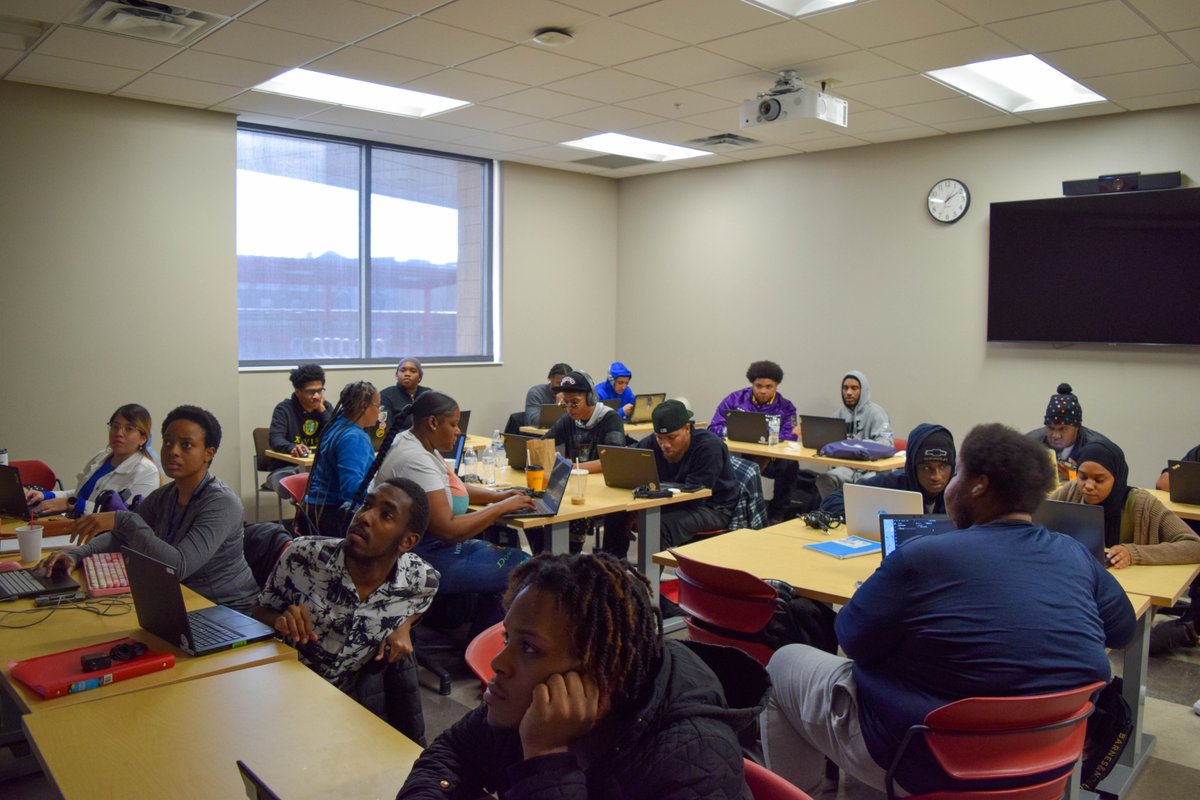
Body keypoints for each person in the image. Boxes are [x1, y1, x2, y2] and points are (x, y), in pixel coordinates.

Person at [761, 423, 1135, 797]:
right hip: (1046, 765)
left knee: (785, 663)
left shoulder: (922, 556)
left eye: (957, 472)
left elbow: (852, 641)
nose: (949, 482)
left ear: (978, 485)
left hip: (927, 762)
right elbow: (1121, 631)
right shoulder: (1074, 554)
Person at [397, 552, 769, 800]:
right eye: (508, 638)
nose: (499, 663)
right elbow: (451, 754)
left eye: (529, 648)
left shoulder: (693, 764)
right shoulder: (528, 705)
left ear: (600, 672)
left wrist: (545, 758)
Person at [39, 405, 259, 611]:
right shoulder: (166, 495)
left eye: (186, 445)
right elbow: (122, 537)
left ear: (208, 453)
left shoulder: (222, 503)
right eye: (168, 442)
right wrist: (76, 555)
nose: (173, 451)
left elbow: (177, 567)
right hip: (180, 600)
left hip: (226, 609)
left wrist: (124, 519)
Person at [253, 478, 439, 693]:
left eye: (385, 515)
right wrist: (279, 620)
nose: (365, 517)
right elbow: (258, 611)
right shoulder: (302, 554)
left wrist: (404, 623)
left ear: (407, 542)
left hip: (347, 700)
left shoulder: (421, 578)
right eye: (366, 505)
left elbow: (425, 596)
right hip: (283, 682)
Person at [376, 391, 535, 631]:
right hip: (419, 554)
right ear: (432, 423)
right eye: (453, 424)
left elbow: (451, 488)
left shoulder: (416, 442)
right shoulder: (415, 459)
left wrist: (497, 496)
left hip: (417, 545)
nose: (458, 431)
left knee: (503, 557)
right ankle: (481, 649)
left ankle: (474, 633)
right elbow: (448, 530)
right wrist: (501, 508)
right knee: (524, 567)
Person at [602, 400, 738, 558]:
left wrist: (643, 513)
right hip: (670, 501)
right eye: (660, 438)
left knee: (656, 526)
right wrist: (634, 510)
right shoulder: (654, 442)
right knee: (616, 514)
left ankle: (648, 580)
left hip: (712, 508)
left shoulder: (709, 447)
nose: (664, 444)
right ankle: (612, 570)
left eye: (672, 437)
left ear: (687, 428)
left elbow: (693, 498)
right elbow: (628, 461)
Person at [1048, 439, 1200, 567]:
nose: (1088, 486)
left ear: (1117, 478)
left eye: (1099, 480)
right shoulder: (1072, 491)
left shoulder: (1143, 504)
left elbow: (1195, 546)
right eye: (1082, 477)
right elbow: (1037, 519)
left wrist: (1134, 553)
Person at [529, 371, 625, 553]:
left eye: (574, 403)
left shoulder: (610, 419)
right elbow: (544, 443)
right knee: (533, 505)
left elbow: (612, 462)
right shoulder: (570, 419)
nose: (569, 408)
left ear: (590, 399)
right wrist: (542, 455)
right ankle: (545, 556)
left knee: (568, 511)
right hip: (577, 485)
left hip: (604, 489)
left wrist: (573, 467)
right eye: (565, 403)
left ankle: (568, 556)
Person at [25, 403, 161, 517]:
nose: (119, 433)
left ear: (143, 438)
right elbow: (80, 494)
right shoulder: (102, 456)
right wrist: (47, 496)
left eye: (129, 429)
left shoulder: (147, 471)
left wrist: (73, 504)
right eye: (115, 426)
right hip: (74, 524)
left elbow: (128, 516)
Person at [707, 360, 800, 521]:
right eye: (758, 386)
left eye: (768, 386)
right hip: (740, 454)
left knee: (790, 465)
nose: (763, 391)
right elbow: (714, 426)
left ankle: (776, 515)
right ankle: (735, 510)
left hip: (772, 458)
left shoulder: (786, 407)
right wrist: (733, 431)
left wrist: (767, 451)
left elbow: (789, 436)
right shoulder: (734, 400)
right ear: (752, 384)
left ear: (776, 385)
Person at [820, 423, 955, 516]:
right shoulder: (893, 484)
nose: (936, 476)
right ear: (913, 468)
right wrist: (876, 517)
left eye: (943, 467)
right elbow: (832, 501)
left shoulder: (961, 491)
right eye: (926, 468)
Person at [301, 381, 381, 538]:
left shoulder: (336, 426)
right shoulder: (354, 437)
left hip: (314, 511)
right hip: (331, 517)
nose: (379, 412)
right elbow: (351, 489)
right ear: (364, 405)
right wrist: (382, 501)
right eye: (378, 406)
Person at [816, 370, 894, 498]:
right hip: (847, 468)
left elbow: (887, 443)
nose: (848, 392)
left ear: (863, 390)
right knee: (824, 480)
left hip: (870, 469)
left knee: (863, 484)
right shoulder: (839, 414)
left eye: (854, 388)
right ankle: (836, 511)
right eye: (845, 388)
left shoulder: (877, 413)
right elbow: (829, 441)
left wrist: (858, 445)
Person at [265, 363, 332, 497]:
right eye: (311, 392)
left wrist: (323, 412)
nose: (317, 396)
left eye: (320, 390)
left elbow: (336, 435)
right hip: (285, 468)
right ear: (297, 391)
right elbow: (275, 439)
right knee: (296, 486)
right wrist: (291, 447)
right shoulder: (284, 409)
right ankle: (303, 514)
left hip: (317, 469)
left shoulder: (326, 408)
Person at [1026, 382, 1111, 481]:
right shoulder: (1031, 443)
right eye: (1051, 428)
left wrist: (1074, 476)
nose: (1056, 435)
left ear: (1078, 426)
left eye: (1063, 429)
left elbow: (1103, 485)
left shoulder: (1097, 449)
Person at [380, 357, 431, 433]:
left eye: (413, 371)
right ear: (397, 375)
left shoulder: (428, 395)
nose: (407, 374)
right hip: (397, 441)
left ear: (420, 377)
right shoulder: (385, 395)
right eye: (402, 370)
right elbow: (384, 427)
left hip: (425, 440)